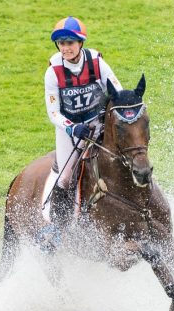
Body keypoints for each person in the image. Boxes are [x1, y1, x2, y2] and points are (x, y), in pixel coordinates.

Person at [43, 16, 123, 237]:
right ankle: (57, 231)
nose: (65, 48)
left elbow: (117, 92)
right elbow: (53, 112)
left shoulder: (97, 63)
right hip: (71, 131)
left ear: (80, 43)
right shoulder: (53, 72)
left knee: (127, 153)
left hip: (98, 123)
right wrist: (72, 127)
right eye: (61, 43)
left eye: (70, 42)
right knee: (66, 177)